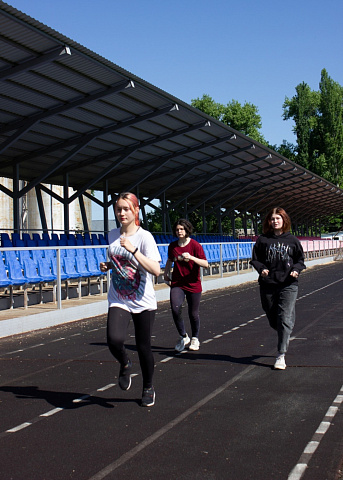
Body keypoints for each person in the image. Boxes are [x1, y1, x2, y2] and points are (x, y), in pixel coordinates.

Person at [100, 192, 161, 407]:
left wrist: (133, 250)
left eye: (126, 208)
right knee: (114, 339)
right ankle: (125, 362)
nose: (122, 213)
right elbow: (119, 262)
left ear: (135, 210)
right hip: (119, 298)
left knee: (143, 346)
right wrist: (108, 266)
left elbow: (155, 269)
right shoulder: (111, 235)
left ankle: (148, 387)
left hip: (143, 300)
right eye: (118, 209)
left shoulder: (144, 237)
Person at [250, 207, 306, 370]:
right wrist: (261, 269)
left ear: (284, 220)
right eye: (272, 219)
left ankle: (281, 354)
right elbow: (255, 259)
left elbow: (300, 260)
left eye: (278, 218)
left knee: (284, 318)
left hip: (288, 284)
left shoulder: (292, 240)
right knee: (273, 317)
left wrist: (296, 269)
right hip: (268, 284)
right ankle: (285, 327)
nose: (275, 221)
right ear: (269, 221)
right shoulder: (263, 240)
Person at [164, 219, 208, 352]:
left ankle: (195, 338)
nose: (179, 232)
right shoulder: (173, 246)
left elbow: (205, 264)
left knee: (193, 313)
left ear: (187, 230)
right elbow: (170, 260)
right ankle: (183, 336)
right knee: (175, 308)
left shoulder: (195, 245)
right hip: (178, 282)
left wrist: (192, 258)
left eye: (182, 229)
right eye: (177, 229)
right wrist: (166, 274)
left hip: (193, 283)